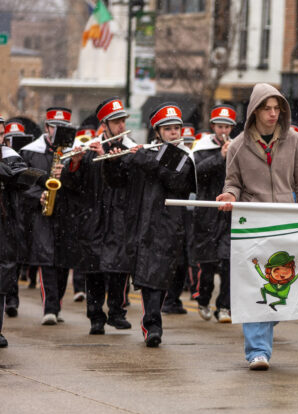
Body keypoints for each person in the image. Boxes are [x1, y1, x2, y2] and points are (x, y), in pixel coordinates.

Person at [217, 83, 298, 370]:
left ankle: (262, 334)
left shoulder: (295, 141)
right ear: (255, 112)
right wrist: (230, 195)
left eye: (277, 108)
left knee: (285, 285)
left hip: (287, 222)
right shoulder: (237, 145)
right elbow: (232, 181)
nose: (273, 114)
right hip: (253, 224)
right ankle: (257, 351)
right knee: (258, 288)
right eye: (267, 109)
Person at [116, 102, 196, 347]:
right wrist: (120, 159)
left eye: (176, 128)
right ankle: (151, 324)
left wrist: (143, 159)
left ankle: (152, 324)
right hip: (140, 224)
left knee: (158, 277)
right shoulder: (148, 153)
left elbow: (175, 180)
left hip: (168, 226)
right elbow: (118, 181)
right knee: (147, 277)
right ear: (157, 132)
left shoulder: (183, 156)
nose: (174, 132)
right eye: (168, 128)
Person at [66, 97, 135, 335]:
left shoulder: (130, 148)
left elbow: (130, 181)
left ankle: (117, 312)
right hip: (94, 217)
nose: (121, 126)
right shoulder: (88, 149)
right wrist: (74, 163)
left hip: (118, 216)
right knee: (94, 270)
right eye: (116, 122)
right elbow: (73, 185)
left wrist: (117, 159)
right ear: (104, 124)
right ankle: (95, 316)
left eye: (123, 121)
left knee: (119, 268)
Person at [19, 107, 74, 325]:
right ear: (46, 127)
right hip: (42, 211)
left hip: (67, 212)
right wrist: (38, 195)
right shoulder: (30, 152)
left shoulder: (74, 150)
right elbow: (23, 182)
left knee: (62, 261)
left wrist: (70, 174)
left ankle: (56, 303)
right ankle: (49, 307)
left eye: (62, 127)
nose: (57, 131)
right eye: (54, 126)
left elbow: (82, 186)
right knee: (46, 258)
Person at [191, 104, 236, 323]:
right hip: (207, 212)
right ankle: (203, 299)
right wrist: (219, 156)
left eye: (227, 127)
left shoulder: (238, 148)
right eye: (219, 126)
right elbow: (197, 173)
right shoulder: (201, 147)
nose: (223, 131)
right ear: (212, 127)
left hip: (229, 213)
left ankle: (225, 306)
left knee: (229, 261)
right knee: (207, 263)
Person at [0, 115, 43, 347]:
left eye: (1, 135)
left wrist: (37, 178)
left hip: (4, 225)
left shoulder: (10, 155)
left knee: (2, 276)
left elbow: (23, 176)